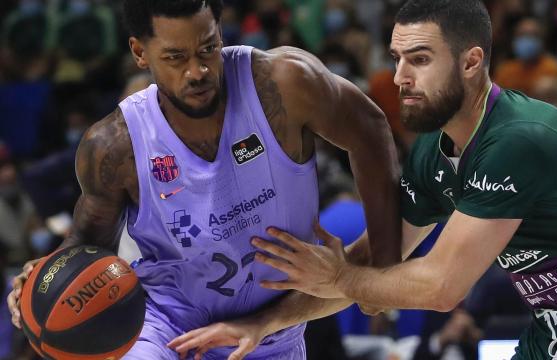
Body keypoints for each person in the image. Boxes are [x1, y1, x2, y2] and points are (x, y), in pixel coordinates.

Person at [170, 1, 557, 359]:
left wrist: (343, 277)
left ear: (471, 62)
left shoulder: (519, 140)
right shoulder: (432, 153)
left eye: (419, 59)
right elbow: (370, 265)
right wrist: (262, 324)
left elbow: (440, 288)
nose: (398, 77)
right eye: (396, 58)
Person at [6, 1, 402, 359]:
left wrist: (383, 267)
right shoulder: (114, 146)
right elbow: (89, 243)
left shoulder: (282, 85)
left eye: (208, 48)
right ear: (140, 53)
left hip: (271, 332)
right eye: (176, 57)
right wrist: (43, 281)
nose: (197, 71)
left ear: (220, 31)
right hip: (164, 325)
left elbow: (370, 131)